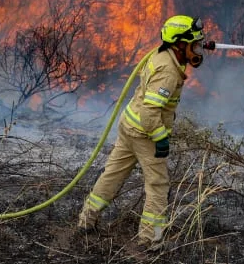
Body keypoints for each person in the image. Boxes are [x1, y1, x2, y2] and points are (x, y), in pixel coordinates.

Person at [77, 15, 207, 251]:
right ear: (180, 44)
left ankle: (86, 220)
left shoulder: (163, 53)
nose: (198, 48)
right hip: (145, 133)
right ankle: (150, 240)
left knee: (112, 175)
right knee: (158, 186)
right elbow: (149, 113)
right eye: (194, 44)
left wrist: (200, 46)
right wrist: (161, 138)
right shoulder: (168, 72)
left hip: (129, 125)